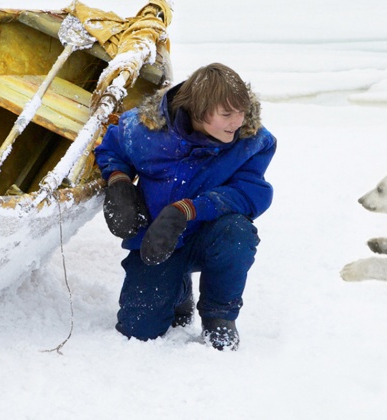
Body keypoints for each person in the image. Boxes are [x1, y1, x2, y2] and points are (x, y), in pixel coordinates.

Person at [94, 63, 276, 351]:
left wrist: (189, 209)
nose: (238, 121)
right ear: (200, 111)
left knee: (238, 233)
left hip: (210, 235)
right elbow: (111, 148)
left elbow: (250, 191)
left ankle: (219, 316)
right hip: (156, 238)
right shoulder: (143, 128)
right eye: (227, 114)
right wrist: (119, 181)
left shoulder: (252, 142)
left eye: (242, 111)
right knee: (139, 329)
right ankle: (178, 292)